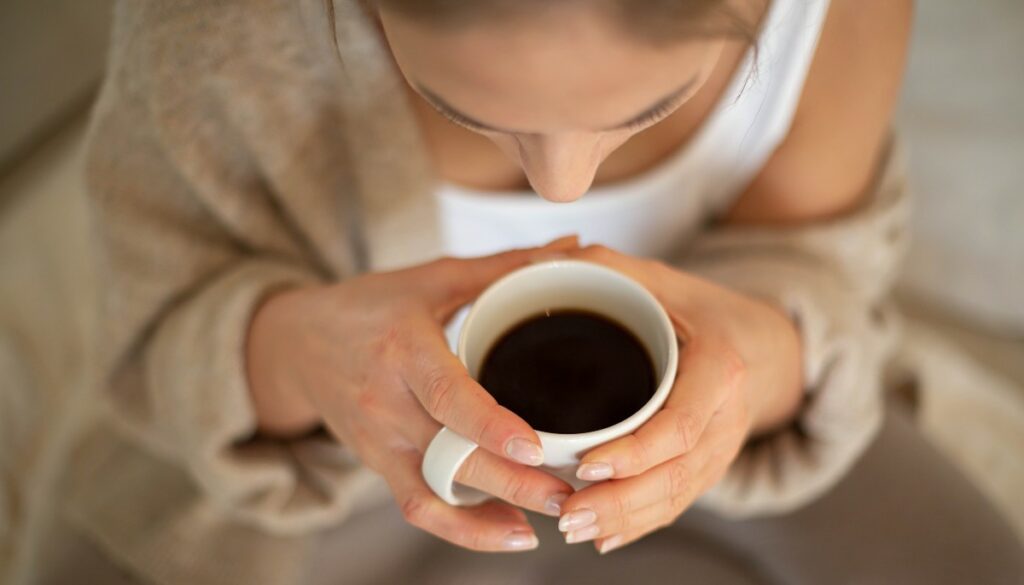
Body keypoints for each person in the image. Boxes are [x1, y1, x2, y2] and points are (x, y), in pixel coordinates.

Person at [32, 0, 1022, 583]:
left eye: (653, 108)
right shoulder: (219, 34)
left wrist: (754, 365)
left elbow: (823, 270)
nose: (565, 192)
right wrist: (298, 354)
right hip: (321, 474)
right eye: (457, 106)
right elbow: (154, 329)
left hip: (747, 459)